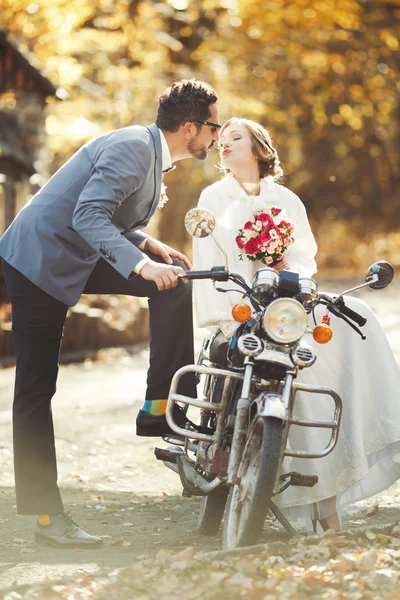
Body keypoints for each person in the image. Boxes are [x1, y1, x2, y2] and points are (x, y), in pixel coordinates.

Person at [0, 79, 220, 548]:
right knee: (36, 390)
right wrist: (141, 265)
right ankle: (46, 518)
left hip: (73, 255)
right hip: (38, 260)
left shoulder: (151, 157)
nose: (216, 137)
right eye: (213, 127)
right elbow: (87, 215)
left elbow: (110, 219)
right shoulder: (134, 148)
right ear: (190, 127)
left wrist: (148, 244)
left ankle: (161, 408)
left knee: (174, 286)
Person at [193, 117, 400, 532]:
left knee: (346, 329)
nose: (225, 144)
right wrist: (231, 313)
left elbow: (307, 257)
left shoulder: (286, 199)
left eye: (237, 137)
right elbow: (208, 262)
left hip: (284, 305)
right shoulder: (212, 197)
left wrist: (288, 267)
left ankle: (329, 500)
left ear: (259, 149)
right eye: (222, 139)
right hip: (237, 305)